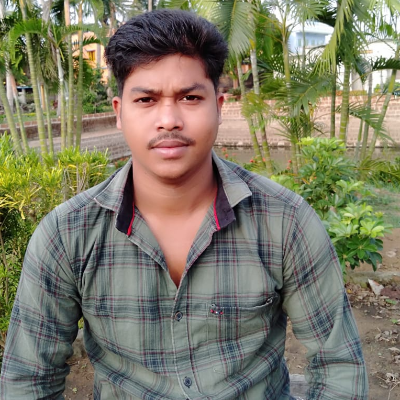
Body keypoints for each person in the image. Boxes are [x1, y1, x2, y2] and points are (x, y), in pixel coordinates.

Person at [0, 9, 368, 400]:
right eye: (146, 99)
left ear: (219, 106)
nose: (169, 119)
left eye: (190, 97)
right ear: (119, 112)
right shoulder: (66, 235)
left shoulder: (285, 221)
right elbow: (29, 380)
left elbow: (339, 365)